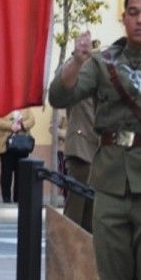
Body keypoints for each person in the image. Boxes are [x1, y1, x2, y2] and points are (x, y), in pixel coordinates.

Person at [48, 0, 141, 280]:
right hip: (111, 180)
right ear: (124, 17)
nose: (140, 21)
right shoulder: (103, 64)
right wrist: (76, 60)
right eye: (133, 13)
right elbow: (59, 97)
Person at [61, 91, 98, 233]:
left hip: (97, 150)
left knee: (91, 216)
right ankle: (66, 251)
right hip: (81, 149)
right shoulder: (80, 73)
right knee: (75, 214)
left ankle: (85, 252)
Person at [0, 109, 35, 203]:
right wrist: (11, 126)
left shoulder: (25, 106)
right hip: (5, 144)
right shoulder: (3, 105)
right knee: (6, 172)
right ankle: (6, 197)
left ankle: (18, 197)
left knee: (20, 172)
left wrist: (22, 125)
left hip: (22, 144)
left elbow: (32, 120)